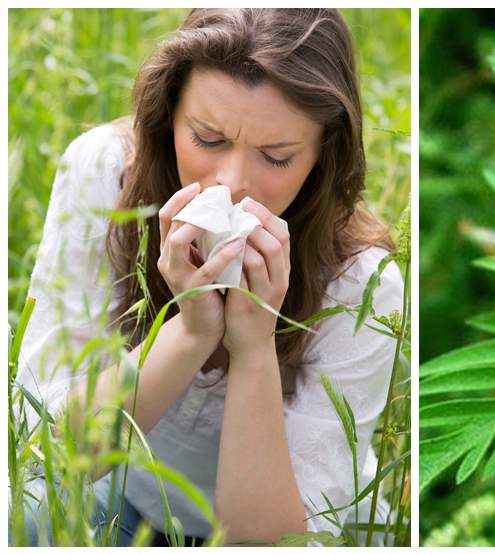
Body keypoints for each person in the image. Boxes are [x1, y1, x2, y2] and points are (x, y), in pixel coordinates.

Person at [11, 8, 403, 546]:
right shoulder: (104, 175)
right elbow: (45, 457)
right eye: (208, 139)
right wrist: (189, 331)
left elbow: (270, 544)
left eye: (276, 156)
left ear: (322, 154)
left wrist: (254, 345)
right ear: (168, 116)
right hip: (122, 501)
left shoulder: (360, 279)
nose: (234, 183)